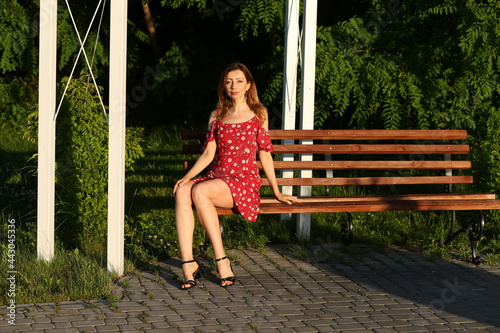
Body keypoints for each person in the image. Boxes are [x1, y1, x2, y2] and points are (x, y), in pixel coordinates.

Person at [173, 62, 300, 289]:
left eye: (239, 81)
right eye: (229, 81)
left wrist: (276, 191)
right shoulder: (217, 114)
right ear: (224, 86)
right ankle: (188, 263)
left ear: (248, 85)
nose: (234, 86)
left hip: (243, 180)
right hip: (217, 177)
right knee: (183, 190)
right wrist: (186, 177)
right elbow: (209, 153)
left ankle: (221, 260)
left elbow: (265, 154)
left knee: (200, 190)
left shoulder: (259, 113)